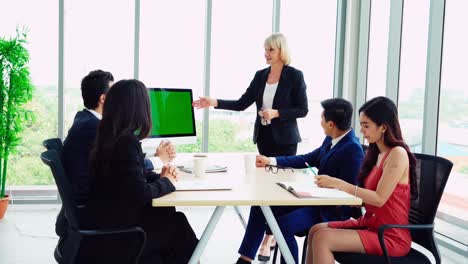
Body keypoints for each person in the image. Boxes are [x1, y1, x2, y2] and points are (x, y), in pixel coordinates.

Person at [235, 98, 365, 264]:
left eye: (322, 118)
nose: (320, 122)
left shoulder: (352, 149)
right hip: (314, 200)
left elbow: (351, 192)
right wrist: (271, 161)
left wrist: (328, 185)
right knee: (260, 206)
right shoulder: (332, 139)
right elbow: (308, 158)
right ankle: (244, 259)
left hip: (329, 210)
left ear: (331, 124)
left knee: (283, 226)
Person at [83, 79, 198, 263]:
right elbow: (140, 194)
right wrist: (167, 181)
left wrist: (159, 177)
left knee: (171, 216)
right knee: (178, 226)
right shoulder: (126, 142)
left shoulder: (110, 134)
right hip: (120, 235)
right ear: (138, 109)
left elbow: (129, 177)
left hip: (107, 222)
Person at [56, 70, 175, 245]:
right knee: (173, 223)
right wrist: (165, 178)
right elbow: (135, 186)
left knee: (170, 216)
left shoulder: (91, 123)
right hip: (101, 214)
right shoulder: (97, 129)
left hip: (97, 206)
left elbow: (124, 167)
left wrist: (158, 175)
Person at [306, 96, 418, 264]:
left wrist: (340, 184)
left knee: (323, 238)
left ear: (383, 127)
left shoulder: (397, 154)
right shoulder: (376, 154)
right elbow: (372, 199)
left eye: (366, 126)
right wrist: (355, 200)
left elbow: (380, 199)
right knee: (315, 230)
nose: (362, 131)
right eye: (361, 125)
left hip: (390, 235)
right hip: (371, 224)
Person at [192, 33, 308, 157]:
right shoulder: (260, 76)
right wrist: (213, 102)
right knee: (264, 175)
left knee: (283, 175)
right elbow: (241, 104)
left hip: (286, 141)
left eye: (271, 50)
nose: (266, 53)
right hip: (263, 138)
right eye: (265, 49)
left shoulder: (295, 76)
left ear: (282, 51)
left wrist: (276, 113)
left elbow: (302, 110)